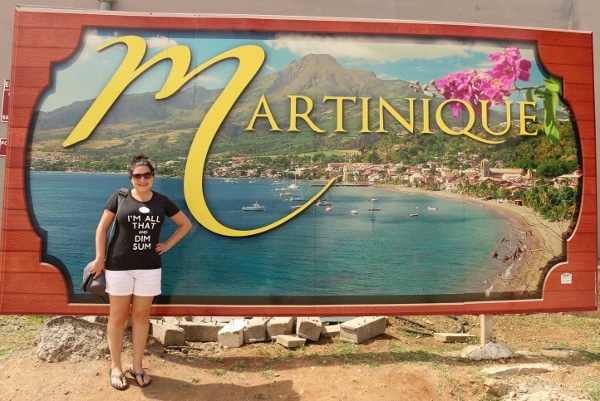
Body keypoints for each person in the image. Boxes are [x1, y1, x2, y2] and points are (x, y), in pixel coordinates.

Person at [89, 154, 192, 391]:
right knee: (117, 317)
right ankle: (115, 366)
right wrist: (99, 258)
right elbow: (102, 228)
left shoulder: (162, 201)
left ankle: (137, 366)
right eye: (137, 176)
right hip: (118, 267)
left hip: (148, 269)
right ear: (131, 178)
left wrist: (166, 245)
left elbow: (185, 225)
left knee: (141, 317)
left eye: (147, 175)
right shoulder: (120, 197)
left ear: (153, 177)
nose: (142, 179)